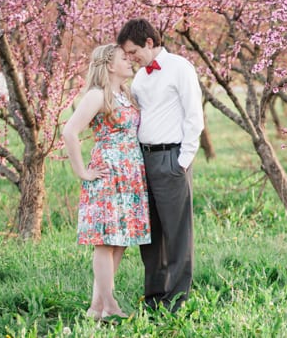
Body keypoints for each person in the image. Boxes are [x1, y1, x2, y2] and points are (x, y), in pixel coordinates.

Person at [117, 18, 204, 312]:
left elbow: (194, 116)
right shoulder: (141, 77)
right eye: (126, 55)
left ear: (150, 43)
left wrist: (183, 161)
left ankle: (177, 301)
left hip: (171, 159)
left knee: (176, 233)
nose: (130, 59)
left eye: (132, 52)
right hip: (144, 160)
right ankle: (154, 297)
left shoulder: (181, 68)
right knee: (150, 234)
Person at [62, 44, 151, 320]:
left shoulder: (124, 94)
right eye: (124, 58)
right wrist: (82, 172)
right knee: (105, 240)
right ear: (109, 66)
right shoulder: (97, 96)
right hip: (108, 175)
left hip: (130, 176)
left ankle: (96, 307)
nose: (130, 61)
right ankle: (109, 303)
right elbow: (69, 132)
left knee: (121, 240)